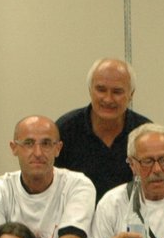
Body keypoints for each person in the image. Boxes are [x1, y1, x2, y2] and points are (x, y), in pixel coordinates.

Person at [56, 58, 152, 198]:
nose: (108, 99)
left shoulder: (145, 134)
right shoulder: (65, 130)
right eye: (101, 90)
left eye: (117, 92)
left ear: (131, 94)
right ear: (90, 90)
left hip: (130, 218)